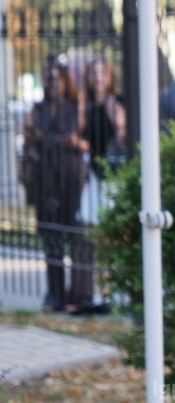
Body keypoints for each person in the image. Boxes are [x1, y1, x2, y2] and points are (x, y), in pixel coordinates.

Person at [23, 57, 91, 313]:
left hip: (72, 178)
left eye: (56, 78)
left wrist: (75, 142)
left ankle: (79, 295)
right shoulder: (38, 109)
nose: (52, 84)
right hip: (46, 179)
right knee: (51, 238)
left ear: (65, 80)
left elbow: (90, 142)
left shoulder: (76, 107)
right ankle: (55, 294)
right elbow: (26, 138)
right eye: (48, 79)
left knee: (77, 235)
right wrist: (33, 137)